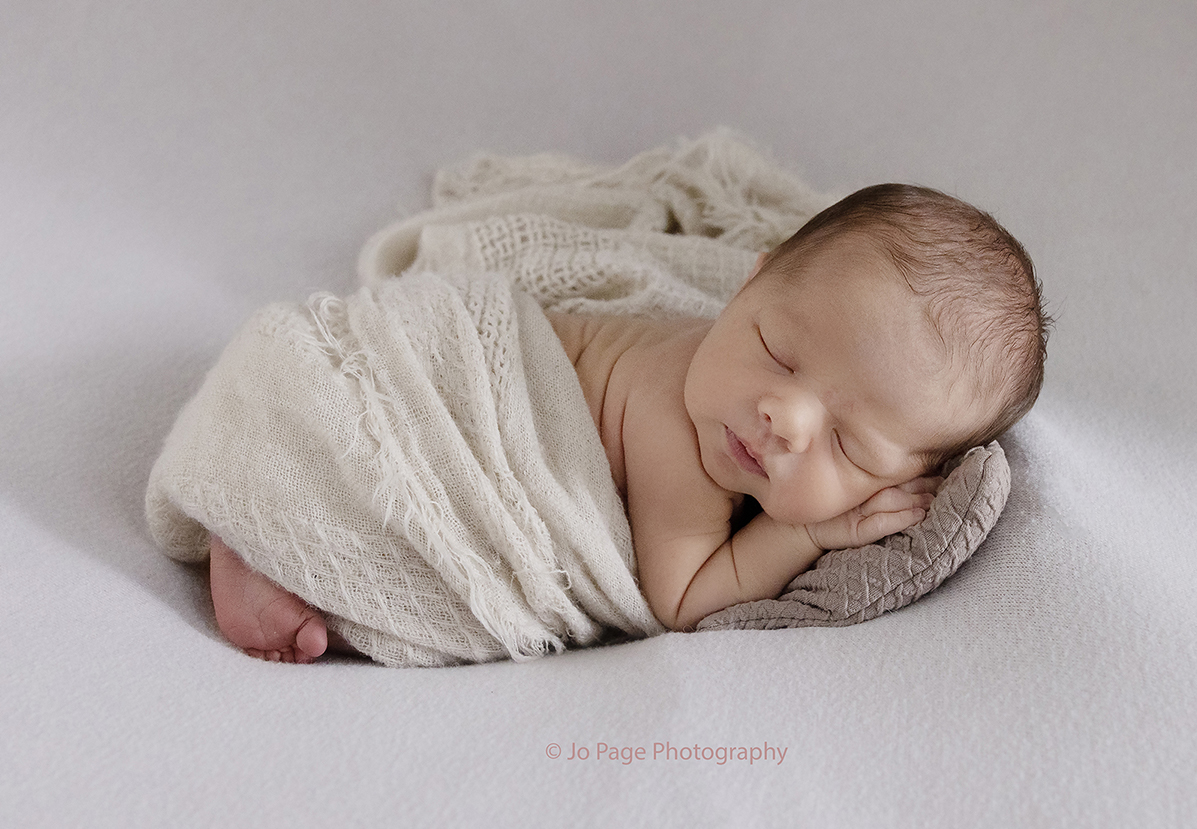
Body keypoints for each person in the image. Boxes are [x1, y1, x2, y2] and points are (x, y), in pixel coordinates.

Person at [207, 183, 1049, 663]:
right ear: (744, 286)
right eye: (777, 352)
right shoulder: (675, 438)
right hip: (453, 373)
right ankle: (267, 525)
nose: (782, 417)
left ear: (903, 479)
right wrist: (810, 536)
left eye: (846, 443)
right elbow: (680, 600)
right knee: (362, 457)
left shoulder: (736, 382)